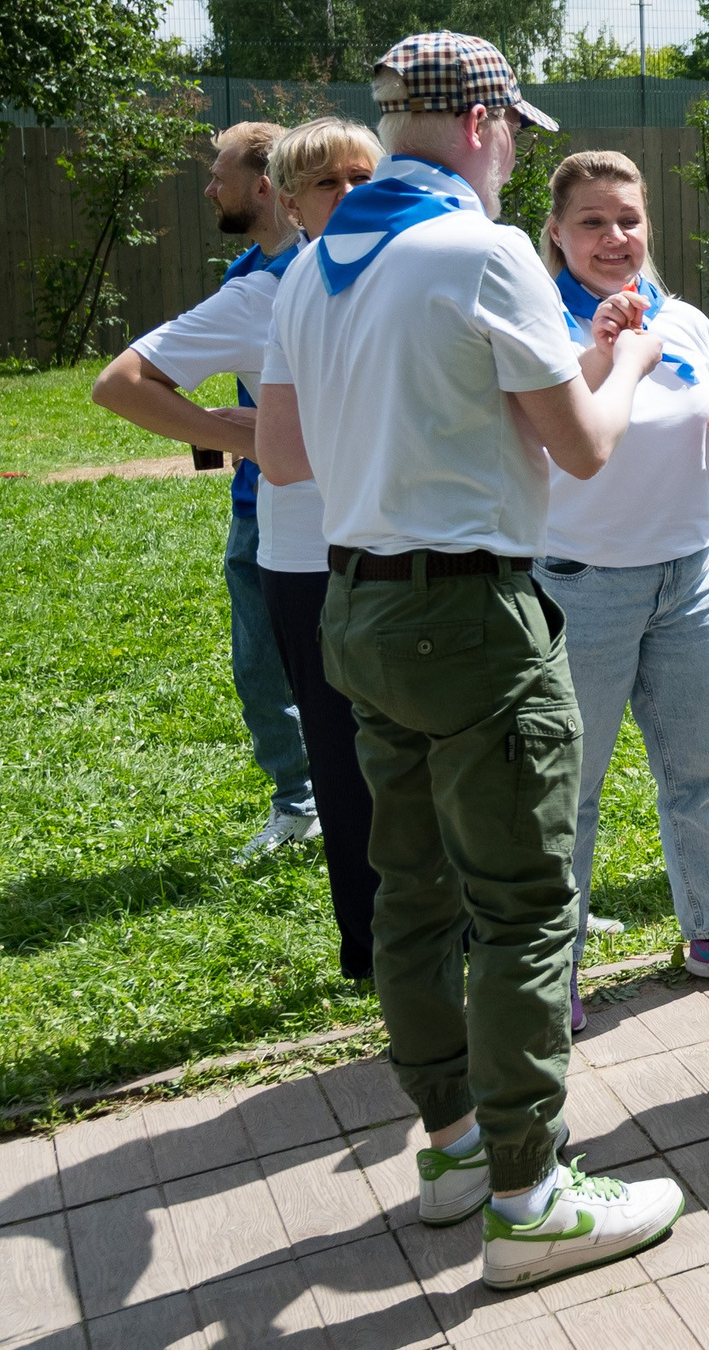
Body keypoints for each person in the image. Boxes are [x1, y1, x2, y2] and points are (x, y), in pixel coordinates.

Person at [257, 33, 684, 1287]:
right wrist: (635, 359)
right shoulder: (480, 247)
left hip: (355, 606)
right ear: (487, 119)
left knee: (412, 892)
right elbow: (587, 447)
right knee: (523, 905)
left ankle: (448, 1147)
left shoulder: (313, 261)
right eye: (516, 132)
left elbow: (284, 455)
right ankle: (529, 1188)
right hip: (475, 614)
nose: (514, 156)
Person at [530, 150, 709, 1038]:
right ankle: (551, 972)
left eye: (630, 219)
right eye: (594, 222)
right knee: (570, 789)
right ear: (558, 233)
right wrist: (602, 353)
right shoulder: (535, 329)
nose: (616, 238)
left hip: (691, 576)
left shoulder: (684, 321)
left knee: (704, 765)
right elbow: (538, 435)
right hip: (578, 585)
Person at [93, 121, 317, 862]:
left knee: (311, 673)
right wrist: (238, 438)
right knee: (266, 667)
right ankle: (305, 804)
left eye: (218, 172)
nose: (207, 186)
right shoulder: (258, 274)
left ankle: (325, 806)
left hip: (309, 514)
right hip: (272, 504)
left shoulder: (290, 284)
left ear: (264, 186)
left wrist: (248, 437)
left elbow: (119, 383)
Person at [249, 117, 388, 983]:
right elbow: (284, 449)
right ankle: (371, 945)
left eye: (363, 176)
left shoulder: (389, 273)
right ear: (292, 205)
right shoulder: (300, 283)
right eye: (328, 183)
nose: (350, 194)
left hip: (386, 548)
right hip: (313, 560)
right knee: (344, 761)